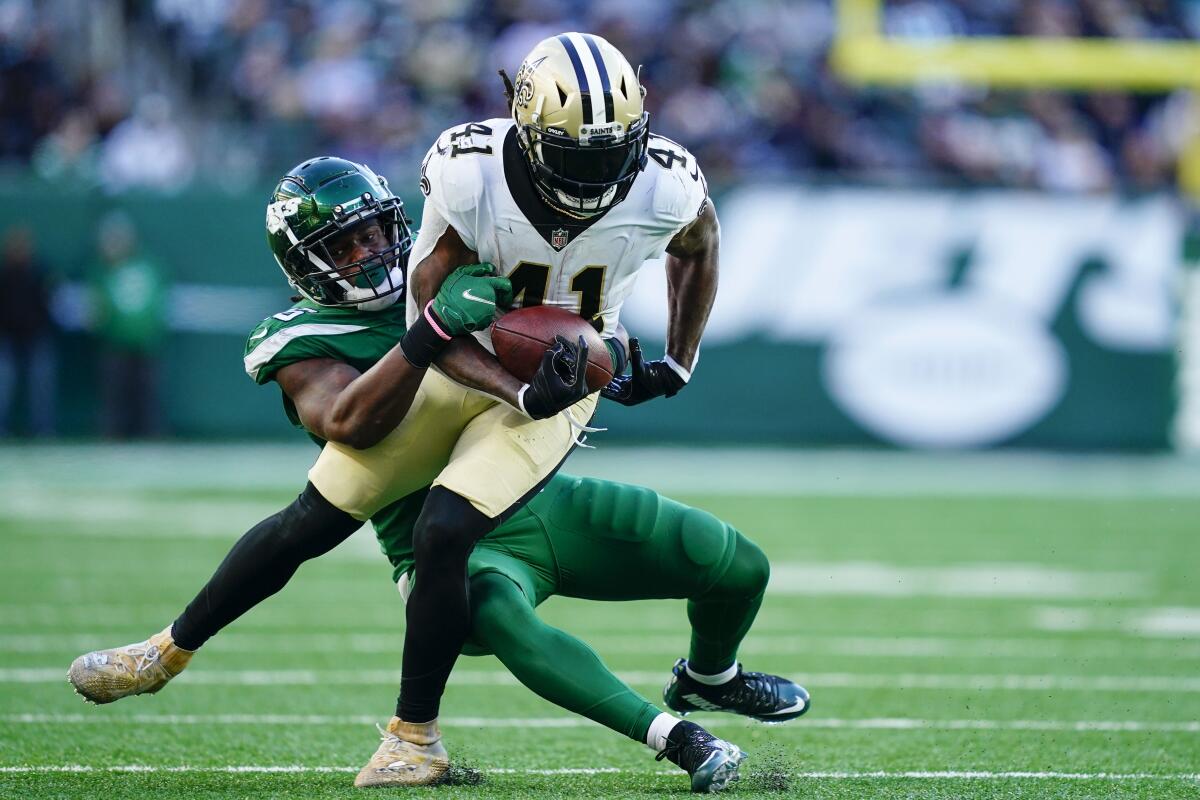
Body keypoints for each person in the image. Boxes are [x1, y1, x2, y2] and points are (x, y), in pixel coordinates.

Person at [68, 158, 802, 793]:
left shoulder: (463, 254)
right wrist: (430, 331)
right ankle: (675, 739)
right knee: (489, 606)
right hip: (439, 545)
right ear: (304, 261)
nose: (373, 249)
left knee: (734, 563)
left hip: (536, 495)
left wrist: (595, 359)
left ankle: (710, 681)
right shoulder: (294, 337)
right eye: (345, 242)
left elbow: (562, 327)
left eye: (379, 230)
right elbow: (348, 422)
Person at [304, 33, 721, 779]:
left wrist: (680, 359)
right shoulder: (471, 173)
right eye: (576, 155)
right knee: (317, 515)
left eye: (611, 152)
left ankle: (411, 736)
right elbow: (426, 317)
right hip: (461, 358)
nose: (596, 173)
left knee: (449, 528)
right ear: (525, 134)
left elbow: (700, 241)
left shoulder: (667, 182)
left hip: (565, 379)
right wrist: (514, 386)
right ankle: (174, 646)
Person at [90, 212, 170, 438]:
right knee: (114, 393)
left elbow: (159, 299)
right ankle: (113, 434)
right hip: (115, 342)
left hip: (146, 342)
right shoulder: (101, 270)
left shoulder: (149, 265)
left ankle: (151, 433)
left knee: (148, 392)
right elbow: (98, 307)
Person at [0, 225, 57, 437]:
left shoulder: (41, 272)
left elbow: (53, 304)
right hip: (7, 338)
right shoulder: (4, 275)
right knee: (3, 382)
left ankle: (42, 428)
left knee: (41, 382)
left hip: (36, 336)